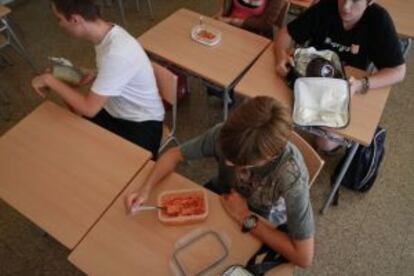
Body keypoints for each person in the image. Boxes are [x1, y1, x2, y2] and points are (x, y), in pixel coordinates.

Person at [126, 96, 315, 268]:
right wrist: (145, 189)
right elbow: (175, 154)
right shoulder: (227, 134)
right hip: (219, 196)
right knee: (164, 247)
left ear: (269, 157)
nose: (226, 163)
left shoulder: (292, 177)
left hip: (260, 219)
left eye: (238, 162)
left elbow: (304, 257)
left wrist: (244, 216)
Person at [31, 0, 165, 158]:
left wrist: (49, 80)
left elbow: (89, 108)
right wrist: (95, 73)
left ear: (75, 20)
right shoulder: (107, 32)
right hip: (115, 112)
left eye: (59, 19)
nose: (59, 24)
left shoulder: (115, 53)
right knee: (76, 146)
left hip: (141, 126)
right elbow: (118, 70)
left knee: (93, 161)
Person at [273, 0, 406, 152]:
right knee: (276, 111)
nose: (346, 7)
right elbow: (287, 32)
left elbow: (398, 71)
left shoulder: (378, 20)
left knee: (325, 144)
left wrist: (360, 84)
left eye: (355, 1)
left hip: (348, 85)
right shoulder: (324, 7)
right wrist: (280, 55)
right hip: (313, 78)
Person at [214, 0, 289, 38]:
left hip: (254, 34)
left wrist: (231, 21)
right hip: (227, 28)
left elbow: (265, 24)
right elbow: (222, 9)